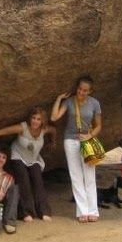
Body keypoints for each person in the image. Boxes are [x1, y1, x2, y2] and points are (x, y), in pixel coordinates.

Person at [0, 107, 55, 222]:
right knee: (23, 179)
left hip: (33, 159)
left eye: (38, 119)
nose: (35, 121)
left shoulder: (44, 130)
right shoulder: (22, 128)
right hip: (17, 156)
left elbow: (54, 130)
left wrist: (53, 142)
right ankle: (26, 212)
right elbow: (2, 132)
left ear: (42, 121)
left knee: (38, 179)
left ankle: (44, 211)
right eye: (33, 118)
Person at [51, 75, 102, 223]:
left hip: (86, 140)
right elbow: (54, 117)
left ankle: (93, 211)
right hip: (70, 140)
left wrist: (89, 135)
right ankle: (82, 211)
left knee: (89, 175)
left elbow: (99, 125)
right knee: (76, 175)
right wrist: (59, 99)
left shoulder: (94, 103)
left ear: (90, 91)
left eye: (85, 90)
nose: (81, 92)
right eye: (80, 89)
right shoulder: (69, 101)